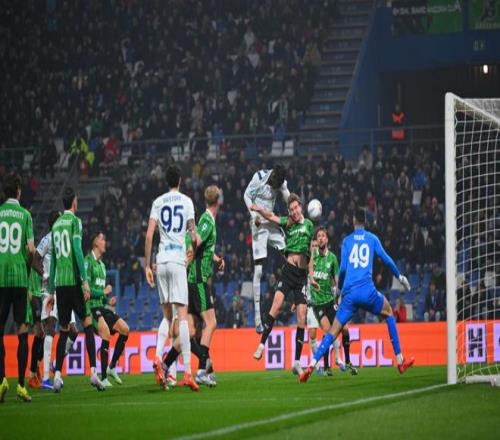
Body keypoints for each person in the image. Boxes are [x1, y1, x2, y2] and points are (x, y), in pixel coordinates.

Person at [300, 209, 414, 383]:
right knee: (389, 313)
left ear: (353, 221)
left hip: (349, 295)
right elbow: (386, 259)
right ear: (365, 221)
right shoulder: (372, 239)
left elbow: (343, 269)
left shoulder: (347, 241)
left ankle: (311, 365)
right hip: (368, 292)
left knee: (333, 332)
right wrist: (400, 276)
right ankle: (400, 361)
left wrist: (339, 290)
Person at [145, 165, 199, 391]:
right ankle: (188, 372)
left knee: (168, 318)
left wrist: (147, 265)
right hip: (177, 260)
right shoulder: (187, 202)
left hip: (161, 260)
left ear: (166, 181)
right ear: (180, 180)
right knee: (183, 318)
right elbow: (193, 236)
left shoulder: (158, 202)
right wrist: (195, 247)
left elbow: (149, 235)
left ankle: (158, 357)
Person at [48, 187, 105, 392]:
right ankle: (93, 373)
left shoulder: (55, 225)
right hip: (73, 282)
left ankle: (56, 376)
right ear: (74, 202)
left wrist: (52, 291)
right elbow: (78, 252)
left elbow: (54, 260)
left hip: (60, 285)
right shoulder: (75, 222)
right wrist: (85, 281)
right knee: (87, 324)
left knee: (63, 330)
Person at [251, 193, 313, 375]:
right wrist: (259, 209)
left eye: (296, 208)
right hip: (288, 272)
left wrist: (311, 278)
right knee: (276, 306)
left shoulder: (309, 225)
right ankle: (261, 345)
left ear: (301, 206)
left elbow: (312, 252)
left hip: (301, 277)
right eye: (291, 209)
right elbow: (272, 217)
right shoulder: (288, 223)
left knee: (301, 317)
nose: (294, 212)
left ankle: (297, 362)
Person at [0, 173, 36, 402]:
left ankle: (2, 379)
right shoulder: (25, 215)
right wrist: (27, 267)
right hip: (20, 279)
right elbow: (31, 249)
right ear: (19, 192)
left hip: (1, 278)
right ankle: (21, 385)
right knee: (22, 329)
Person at [33, 211, 79, 391]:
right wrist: (45, 275)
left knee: (73, 332)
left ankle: (55, 364)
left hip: (64, 288)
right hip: (49, 291)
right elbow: (35, 259)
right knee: (51, 329)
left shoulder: (63, 238)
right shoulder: (47, 239)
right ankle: (45, 378)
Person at [244, 165, 290, 334]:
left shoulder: (281, 183)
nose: (274, 187)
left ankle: (302, 293)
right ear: (272, 175)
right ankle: (257, 318)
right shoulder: (259, 177)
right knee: (258, 270)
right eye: (274, 183)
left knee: (290, 255)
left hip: (271, 222)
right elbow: (246, 195)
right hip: (258, 225)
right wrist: (253, 216)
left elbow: (288, 198)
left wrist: (293, 205)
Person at [186, 186, 224, 386]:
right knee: (211, 323)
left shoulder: (207, 219)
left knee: (193, 330)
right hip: (199, 278)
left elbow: (204, 247)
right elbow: (197, 241)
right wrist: (187, 258)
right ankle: (202, 369)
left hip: (198, 277)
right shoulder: (207, 220)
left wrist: (216, 259)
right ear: (218, 201)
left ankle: (206, 367)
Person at [308, 227, 357, 376]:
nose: (320, 238)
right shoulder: (312, 256)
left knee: (345, 329)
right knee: (328, 331)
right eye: (318, 236)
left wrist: (340, 297)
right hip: (318, 304)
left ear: (327, 239)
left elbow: (337, 282)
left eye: (323, 236)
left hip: (330, 301)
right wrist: (311, 280)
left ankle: (348, 361)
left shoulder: (333, 258)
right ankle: (327, 365)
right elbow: (309, 272)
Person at [86, 232, 129, 387]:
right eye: (102, 239)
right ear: (95, 243)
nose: (105, 242)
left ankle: (111, 367)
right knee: (105, 331)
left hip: (101, 306)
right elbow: (87, 290)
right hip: (91, 308)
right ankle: (103, 377)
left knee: (125, 329)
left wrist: (107, 300)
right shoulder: (87, 262)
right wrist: (103, 292)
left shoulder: (103, 266)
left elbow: (100, 295)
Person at [26, 268, 44, 389]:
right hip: (33, 296)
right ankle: (32, 375)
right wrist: (28, 291)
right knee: (39, 332)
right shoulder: (28, 261)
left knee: (44, 334)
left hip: (41, 295)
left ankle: (36, 366)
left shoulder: (40, 261)